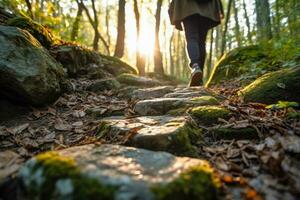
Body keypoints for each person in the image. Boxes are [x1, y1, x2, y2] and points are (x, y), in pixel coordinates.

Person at [169, 0, 224, 87]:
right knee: (201, 42)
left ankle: (195, 66)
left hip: (187, 7)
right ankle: (199, 78)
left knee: (191, 38)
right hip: (207, 8)